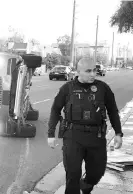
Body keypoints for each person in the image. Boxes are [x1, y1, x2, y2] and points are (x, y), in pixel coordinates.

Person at [47, 58, 123, 194]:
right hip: (73, 136)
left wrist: (118, 133)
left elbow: (112, 110)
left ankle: (87, 185)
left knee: (97, 173)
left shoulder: (102, 88)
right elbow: (55, 109)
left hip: (96, 137)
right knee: (73, 174)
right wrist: (51, 134)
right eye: (88, 71)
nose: (93, 74)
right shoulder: (67, 88)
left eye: (94, 70)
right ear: (78, 72)